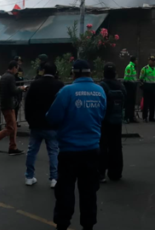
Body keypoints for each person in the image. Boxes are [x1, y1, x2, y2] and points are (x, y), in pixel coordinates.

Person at [47, 59, 106, 230]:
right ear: (89, 73)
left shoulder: (67, 91)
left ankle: (63, 224)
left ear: (74, 73)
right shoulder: (100, 91)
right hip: (92, 150)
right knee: (89, 192)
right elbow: (101, 115)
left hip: (69, 151)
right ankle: (88, 225)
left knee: (65, 191)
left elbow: (52, 117)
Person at [25, 62, 64, 186]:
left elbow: (27, 104)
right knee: (53, 151)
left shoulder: (35, 84)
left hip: (36, 123)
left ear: (43, 71)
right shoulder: (59, 85)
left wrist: (29, 120)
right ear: (55, 72)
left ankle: (29, 177)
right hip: (52, 124)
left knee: (32, 151)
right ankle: (54, 178)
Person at [0, 59, 26, 156]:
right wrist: (21, 89)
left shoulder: (4, 76)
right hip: (8, 105)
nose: (17, 70)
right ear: (14, 67)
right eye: (17, 68)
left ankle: (13, 147)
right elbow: (13, 91)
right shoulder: (10, 77)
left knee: (14, 127)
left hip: (6, 104)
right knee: (10, 127)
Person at [98, 63, 125, 181]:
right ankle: (116, 173)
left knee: (103, 146)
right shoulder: (120, 85)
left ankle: (101, 173)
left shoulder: (102, 86)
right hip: (117, 120)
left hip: (104, 120)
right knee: (116, 147)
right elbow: (125, 98)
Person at [139, 56, 155, 122]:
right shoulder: (144, 69)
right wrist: (143, 86)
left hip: (154, 86)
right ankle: (145, 117)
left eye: (154, 60)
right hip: (147, 86)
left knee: (152, 103)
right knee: (146, 103)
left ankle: (151, 117)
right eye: (151, 60)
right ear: (148, 61)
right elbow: (141, 78)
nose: (153, 62)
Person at [122, 55, 138, 123]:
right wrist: (131, 84)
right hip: (129, 86)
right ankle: (127, 117)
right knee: (128, 103)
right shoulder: (129, 67)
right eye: (136, 60)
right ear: (134, 60)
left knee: (132, 103)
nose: (137, 61)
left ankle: (131, 117)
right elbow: (127, 78)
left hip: (133, 86)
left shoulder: (133, 67)